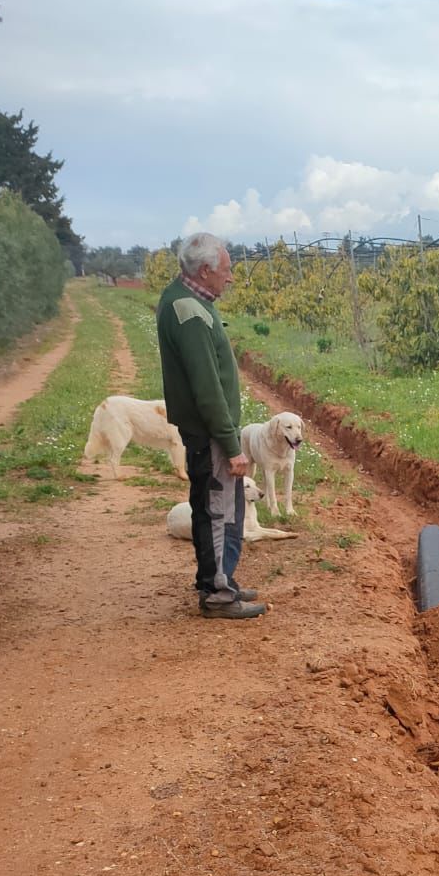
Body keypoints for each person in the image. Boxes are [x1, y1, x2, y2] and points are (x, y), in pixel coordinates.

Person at [156, 233, 265, 618]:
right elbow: (207, 388)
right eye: (226, 269)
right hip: (210, 433)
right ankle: (218, 594)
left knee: (210, 506)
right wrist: (231, 444)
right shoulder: (189, 312)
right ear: (205, 271)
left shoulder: (186, 300)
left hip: (205, 431)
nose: (230, 277)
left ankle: (218, 580)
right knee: (219, 511)